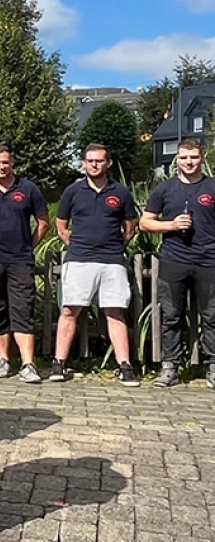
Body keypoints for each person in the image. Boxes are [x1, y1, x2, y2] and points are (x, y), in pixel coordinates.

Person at [51, 143, 139, 386]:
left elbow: (130, 226)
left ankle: (125, 365)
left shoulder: (120, 192)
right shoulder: (73, 191)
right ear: (84, 163)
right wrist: (76, 244)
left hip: (112, 260)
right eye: (90, 161)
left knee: (115, 311)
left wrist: (116, 245)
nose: (94, 164)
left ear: (108, 163)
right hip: (79, 259)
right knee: (70, 310)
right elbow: (61, 225)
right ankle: (59, 363)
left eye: (99, 160)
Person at [0, 145, 50, 383]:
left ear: (12, 162)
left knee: (23, 308)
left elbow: (43, 222)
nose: (1, 167)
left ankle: (28, 364)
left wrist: (28, 245)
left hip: (20, 260)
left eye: (5, 162)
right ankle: (3, 360)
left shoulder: (28, 189)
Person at [139, 138, 215, 389]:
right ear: (177, 160)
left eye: (193, 157)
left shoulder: (212, 187)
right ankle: (170, 366)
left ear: (201, 157)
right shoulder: (165, 190)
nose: (188, 162)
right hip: (174, 260)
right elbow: (145, 222)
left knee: (212, 316)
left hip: (209, 261)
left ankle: (212, 366)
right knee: (171, 315)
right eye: (183, 157)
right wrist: (170, 225)